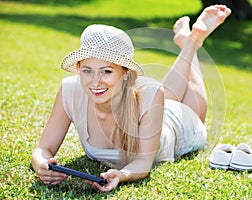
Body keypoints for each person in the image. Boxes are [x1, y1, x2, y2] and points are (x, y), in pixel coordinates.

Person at [31, 5, 231, 192]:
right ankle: (187, 42)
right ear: (78, 69)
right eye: (87, 70)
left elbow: (144, 162)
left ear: (126, 73)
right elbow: (44, 149)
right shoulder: (70, 91)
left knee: (195, 113)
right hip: (151, 108)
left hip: (176, 126)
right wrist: (41, 163)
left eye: (106, 71)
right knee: (163, 94)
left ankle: (192, 42)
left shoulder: (150, 95)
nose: (95, 82)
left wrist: (123, 174)